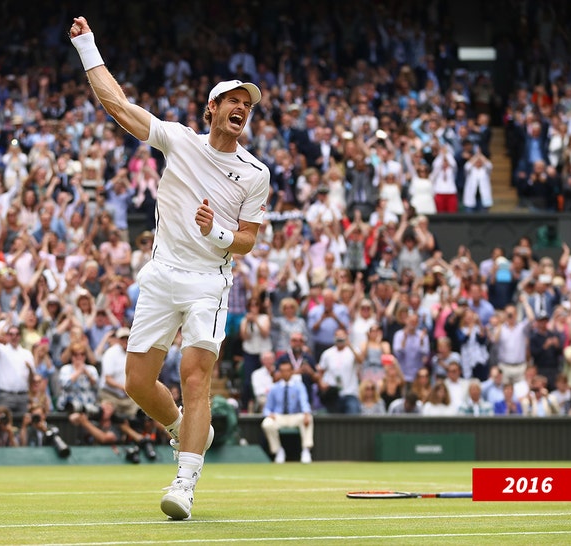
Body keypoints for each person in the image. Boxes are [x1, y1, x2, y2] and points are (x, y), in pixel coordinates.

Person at [70, 17, 269, 521]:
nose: (241, 109)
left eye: (247, 105)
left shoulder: (255, 174)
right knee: (137, 382)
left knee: (195, 376)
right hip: (161, 275)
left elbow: (247, 241)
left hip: (208, 282)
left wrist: (216, 234)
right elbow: (117, 105)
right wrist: (88, 45)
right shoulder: (179, 140)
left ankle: (185, 482)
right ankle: (183, 428)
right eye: (233, 101)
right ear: (213, 109)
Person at [260, 361, 313, 464]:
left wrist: (306, 413)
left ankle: (306, 450)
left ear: (292, 372)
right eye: (282, 371)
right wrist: (269, 414)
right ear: (279, 372)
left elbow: (304, 402)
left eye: (287, 371)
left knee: (308, 418)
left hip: (295, 416)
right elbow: (267, 408)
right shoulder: (274, 388)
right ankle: (278, 451)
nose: (285, 373)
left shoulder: (299, 386)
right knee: (267, 423)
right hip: (279, 417)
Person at [316, 328, 362, 414]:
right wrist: (321, 383)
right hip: (333, 394)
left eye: (342, 336)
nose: (340, 339)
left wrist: (350, 345)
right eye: (338, 336)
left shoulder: (353, 351)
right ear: (334, 338)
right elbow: (320, 372)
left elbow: (360, 361)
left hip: (350, 393)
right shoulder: (327, 353)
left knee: (354, 421)